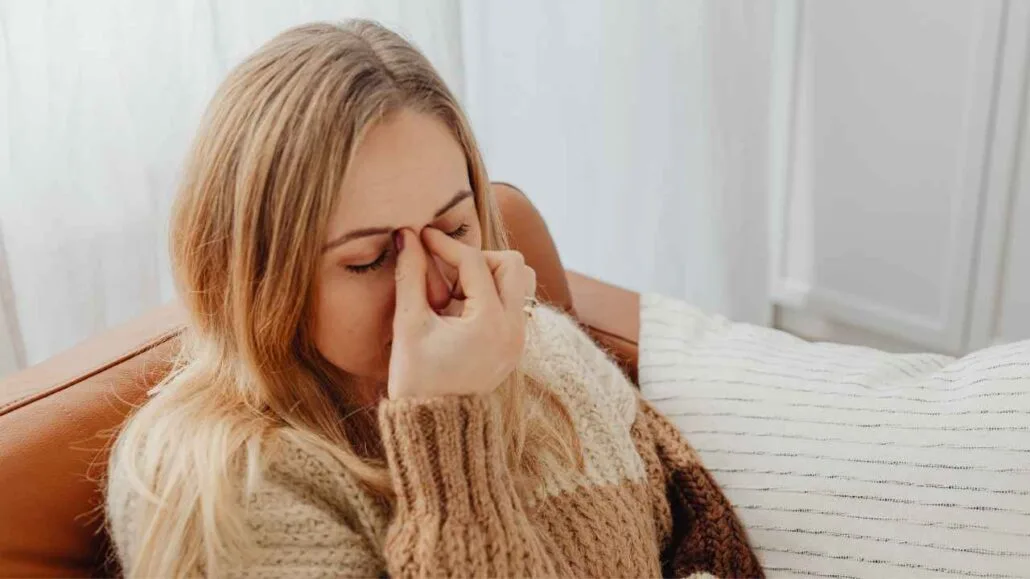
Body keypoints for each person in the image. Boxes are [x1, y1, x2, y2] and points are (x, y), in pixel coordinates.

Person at [105, 19, 763, 578]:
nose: (436, 284)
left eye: (453, 229)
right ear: (256, 278)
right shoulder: (218, 490)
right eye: (369, 259)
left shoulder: (544, 349)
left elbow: (696, 521)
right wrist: (447, 427)